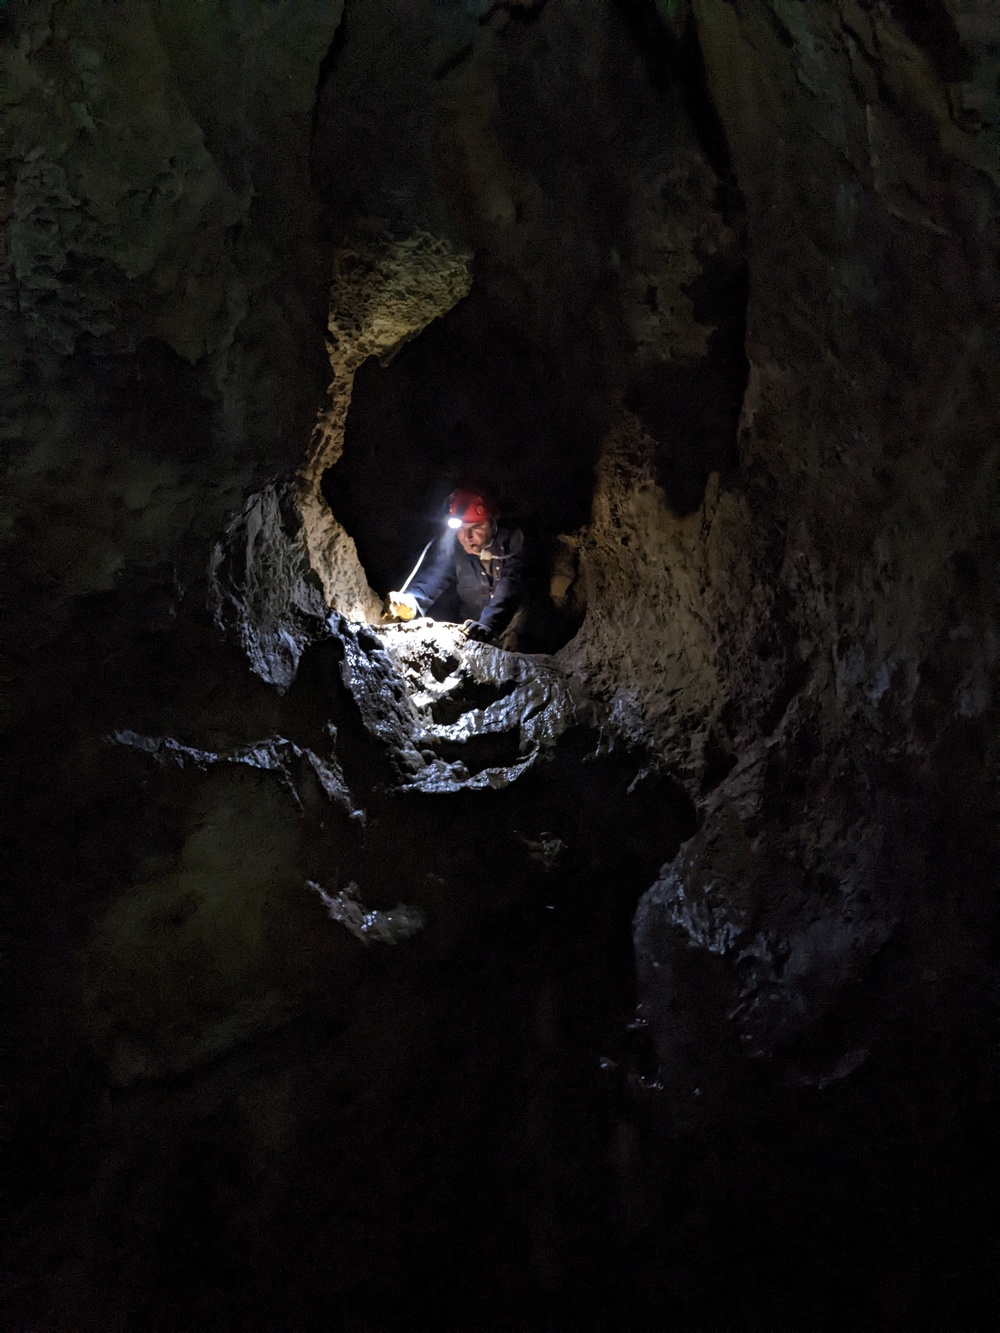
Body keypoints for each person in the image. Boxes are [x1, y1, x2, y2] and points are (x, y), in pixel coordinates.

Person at [387, 490, 524, 644]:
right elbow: (437, 573)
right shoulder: (457, 550)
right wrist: (412, 601)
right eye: (460, 528)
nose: (466, 537)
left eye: (476, 527)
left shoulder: (513, 544)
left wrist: (488, 624)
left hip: (514, 629)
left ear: (493, 523)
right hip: (472, 628)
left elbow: (508, 590)